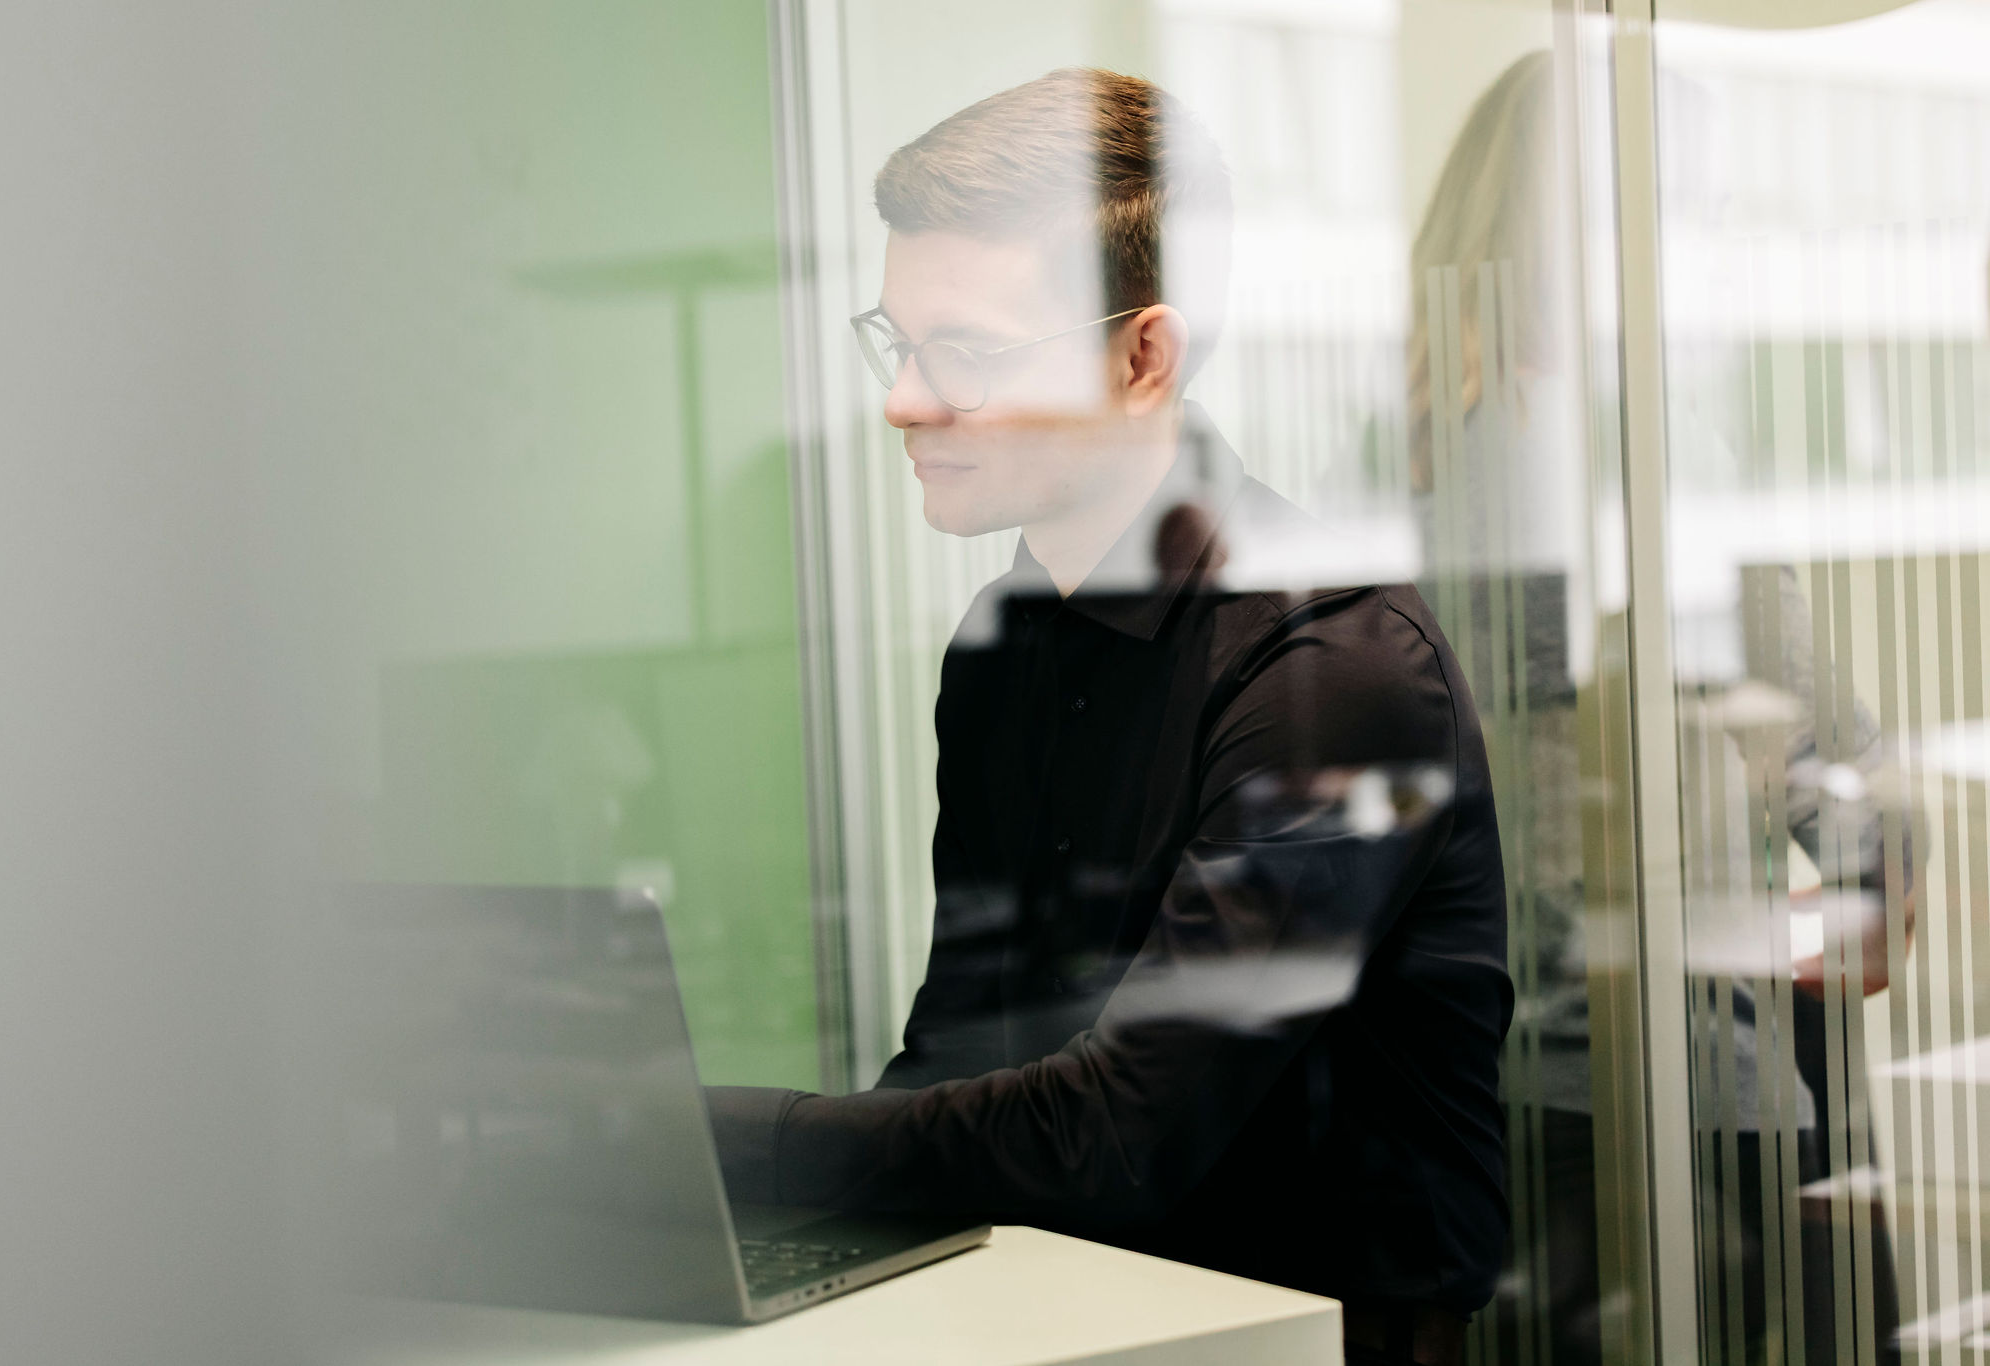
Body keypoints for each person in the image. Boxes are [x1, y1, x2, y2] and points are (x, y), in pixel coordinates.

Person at [708, 68, 1513, 1366]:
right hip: (1060, 1314)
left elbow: (1122, 1132)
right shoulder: (1000, 647)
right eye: (896, 342)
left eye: (961, 352)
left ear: (1144, 356)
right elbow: (957, 1053)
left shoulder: (1340, 666)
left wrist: (724, 1142)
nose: (904, 401)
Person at [1407, 50, 1912, 1364]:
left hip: (1471, 1119)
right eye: (1693, 210)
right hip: (1678, 1119)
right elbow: (1852, 801)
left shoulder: (1411, 487)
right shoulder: (1650, 485)